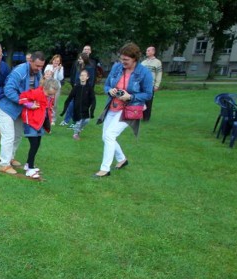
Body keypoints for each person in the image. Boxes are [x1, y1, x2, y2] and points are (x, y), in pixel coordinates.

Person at [94, 42, 153, 178]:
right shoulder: (117, 67)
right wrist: (110, 90)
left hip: (131, 108)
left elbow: (148, 94)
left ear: (135, 59)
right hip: (113, 106)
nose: (122, 62)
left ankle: (105, 169)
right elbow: (107, 85)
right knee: (106, 137)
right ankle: (122, 159)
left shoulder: (144, 73)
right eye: (121, 59)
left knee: (109, 135)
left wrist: (130, 96)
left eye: (126, 60)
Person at [0, 50, 45, 175]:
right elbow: (8, 90)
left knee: (18, 135)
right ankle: (4, 164)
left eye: (41, 66)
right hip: (6, 108)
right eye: (37, 66)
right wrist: (26, 102)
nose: (39, 69)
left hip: (19, 109)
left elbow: (36, 90)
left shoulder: (38, 73)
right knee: (9, 135)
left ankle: (10, 157)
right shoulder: (19, 71)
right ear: (30, 61)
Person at [19, 78, 59, 179]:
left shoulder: (48, 97)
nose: (52, 94)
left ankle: (28, 164)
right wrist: (30, 105)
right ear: (47, 88)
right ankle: (30, 169)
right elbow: (22, 98)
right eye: (51, 92)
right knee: (34, 145)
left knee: (37, 144)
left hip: (39, 123)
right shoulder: (36, 93)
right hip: (31, 122)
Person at [60, 52, 94, 127]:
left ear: (84, 59)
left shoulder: (89, 68)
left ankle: (74, 122)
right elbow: (75, 77)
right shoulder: (78, 66)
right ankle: (67, 120)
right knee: (71, 105)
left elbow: (91, 80)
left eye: (80, 59)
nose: (79, 60)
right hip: (76, 89)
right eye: (79, 59)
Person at [60, 69, 96, 141]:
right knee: (78, 121)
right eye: (81, 75)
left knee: (86, 120)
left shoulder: (89, 88)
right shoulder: (76, 87)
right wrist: (64, 111)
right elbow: (69, 98)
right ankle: (75, 134)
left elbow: (93, 100)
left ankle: (78, 129)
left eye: (84, 75)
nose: (82, 77)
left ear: (87, 77)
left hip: (85, 108)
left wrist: (91, 111)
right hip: (77, 109)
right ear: (79, 77)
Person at [141, 46, 162, 122]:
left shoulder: (157, 62)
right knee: (141, 101)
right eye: (146, 50)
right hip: (142, 85)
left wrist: (157, 85)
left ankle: (146, 118)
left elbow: (159, 74)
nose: (147, 52)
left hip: (150, 85)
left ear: (153, 52)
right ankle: (141, 116)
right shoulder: (143, 62)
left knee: (148, 102)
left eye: (148, 50)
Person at [44, 54, 64, 125]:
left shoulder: (61, 68)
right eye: (55, 61)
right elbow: (47, 75)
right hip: (48, 87)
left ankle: (53, 118)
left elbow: (60, 78)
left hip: (56, 87)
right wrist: (54, 70)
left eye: (58, 61)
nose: (56, 62)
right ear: (52, 60)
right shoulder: (48, 66)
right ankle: (45, 116)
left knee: (54, 103)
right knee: (46, 102)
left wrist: (58, 70)